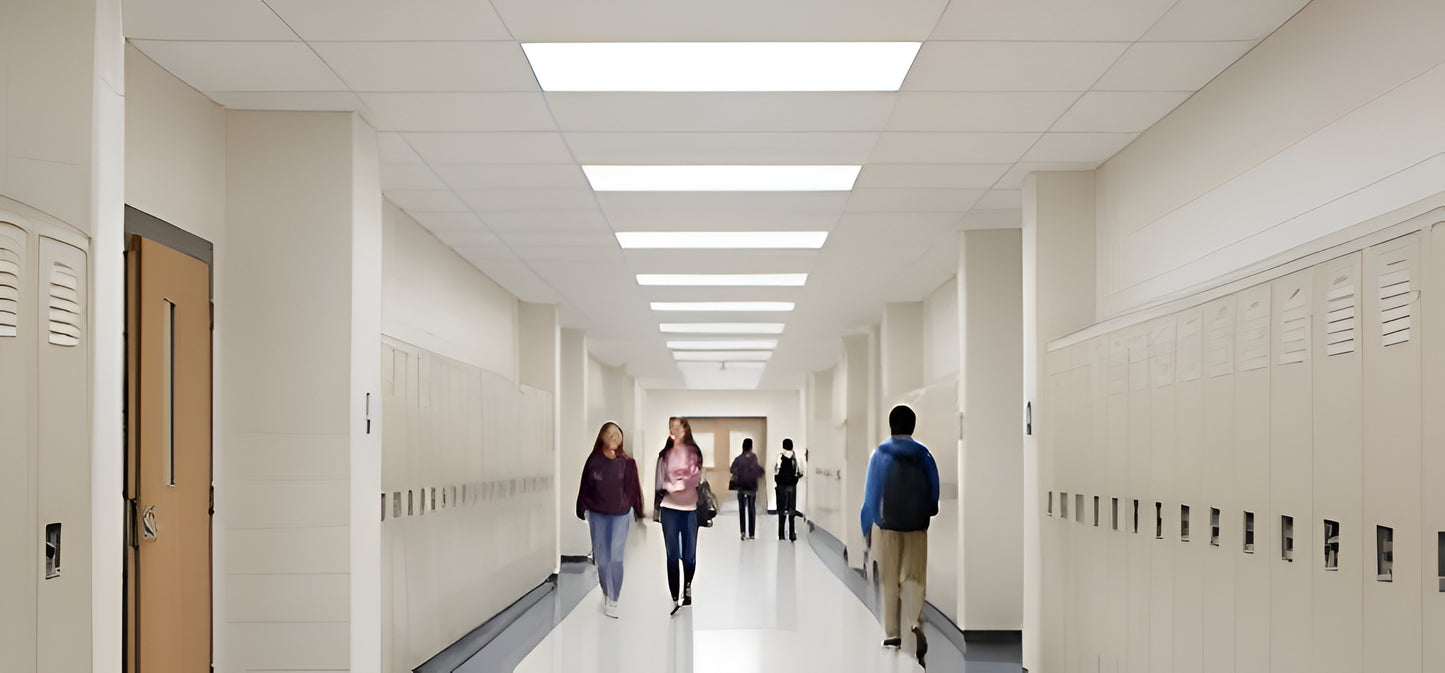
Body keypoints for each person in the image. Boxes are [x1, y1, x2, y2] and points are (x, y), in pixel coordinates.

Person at [859, 405, 940, 666]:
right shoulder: (924, 454)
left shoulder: (881, 454)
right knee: (914, 577)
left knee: (889, 578)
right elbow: (934, 491)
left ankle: (893, 633)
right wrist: (929, 512)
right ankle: (914, 623)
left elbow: (871, 495)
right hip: (917, 527)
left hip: (888, 527)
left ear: (891, 425)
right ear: (913, 426)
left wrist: (867, 526)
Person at [575, 422, 644, 619]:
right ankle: (606, 592)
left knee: (616, 556)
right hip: (597, 513)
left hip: (620, 514)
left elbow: (633, 489)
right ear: (602, 437)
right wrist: (581, 508)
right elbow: (585, 486)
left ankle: (614, 599)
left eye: (617, 433)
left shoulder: (628, 463)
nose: (614, 437)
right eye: (609, 433)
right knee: (602, 559)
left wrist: (638, 510)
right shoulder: (594, 461)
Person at [655, 417, 704, 615]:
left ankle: (688, 587)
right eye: (671, 427)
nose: (673, 430)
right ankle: (675, 596)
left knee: (689, 555)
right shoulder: (664, 455)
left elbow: (696, 479)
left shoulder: (694, 453)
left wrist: (677, 483)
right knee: (672, 554)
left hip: (690, 509)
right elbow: (660, 483)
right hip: (669, 508)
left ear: (686, 430)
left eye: (677, 427)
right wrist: (671, 486)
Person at [729, 438, 764, 540]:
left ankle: (743, 532)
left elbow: (732, 469)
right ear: (751, 447)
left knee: (742, 510)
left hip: (741, 487)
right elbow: (758, 470)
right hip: (752, 488)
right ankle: (752, 533)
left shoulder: (738, 459)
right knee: (751, 509)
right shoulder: (753, 458)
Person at [774, 438, 803, 541]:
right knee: (791, 510)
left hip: (781, 486)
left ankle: (781, 535)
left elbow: (776, 471)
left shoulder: (779, 457)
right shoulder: (795, 457)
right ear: (792, 446)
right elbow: (800, 472)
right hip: (792, 486)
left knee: (781, 510)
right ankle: (791, 534)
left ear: (783, 446)